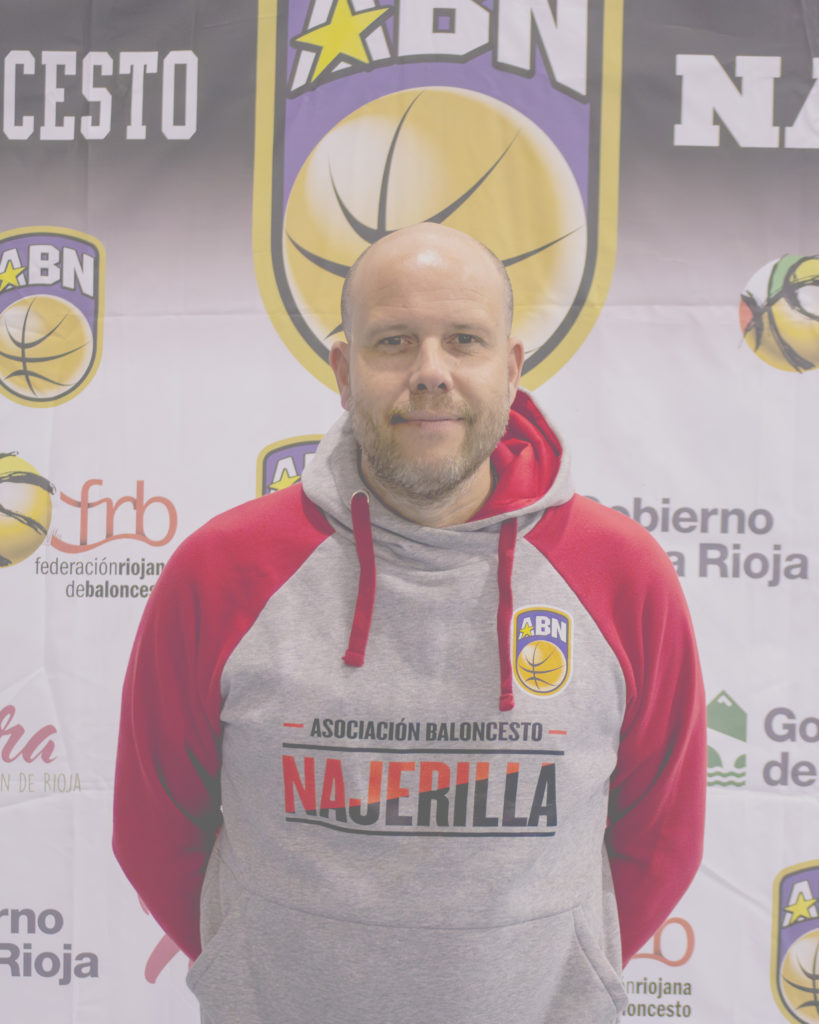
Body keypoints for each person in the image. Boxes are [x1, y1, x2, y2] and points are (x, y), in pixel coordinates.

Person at [113, 223, 706, 1024]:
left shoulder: (621, 574)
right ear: (343, 369)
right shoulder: (221, 572)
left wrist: (570, 964)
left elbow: (662, 838)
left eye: (464, 340)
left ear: (511, 368)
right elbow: (154, 829)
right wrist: (246, 963)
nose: (430, 371)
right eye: (394, 341)